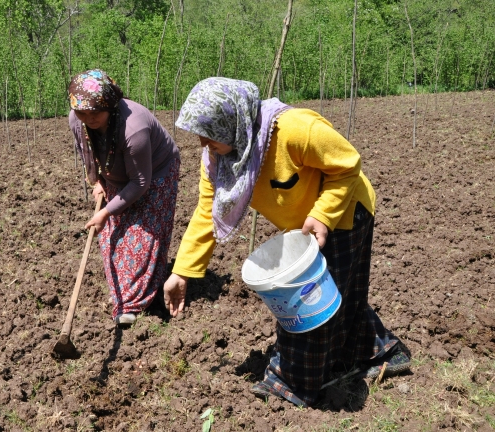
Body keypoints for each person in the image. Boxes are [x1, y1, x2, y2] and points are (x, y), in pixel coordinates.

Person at [163, 77, 410, 407]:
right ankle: (383, 353)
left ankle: (288, 383)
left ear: (232, 122)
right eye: (200, 135)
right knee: (339, 292)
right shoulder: (217, 157)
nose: (202, 144)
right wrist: (182, 272)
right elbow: (207, 210)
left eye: (209, 134)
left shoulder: (293, 129)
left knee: (310, 299)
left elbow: (347, 164)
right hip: (304, 226)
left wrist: (323, 214)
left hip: (346, 210)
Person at [68, 69, 180, 326]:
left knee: (143, 236)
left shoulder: (134, 128)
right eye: (83, 113)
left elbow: (141, 182)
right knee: (112, 235)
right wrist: (97, 181)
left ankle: (133, 304)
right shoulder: (77, 120)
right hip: (115, 173)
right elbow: (88, 151)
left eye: (95, 111)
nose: (89, 118)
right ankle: (123, 295)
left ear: (109, 104)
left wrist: (106, 211)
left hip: (157, 172)